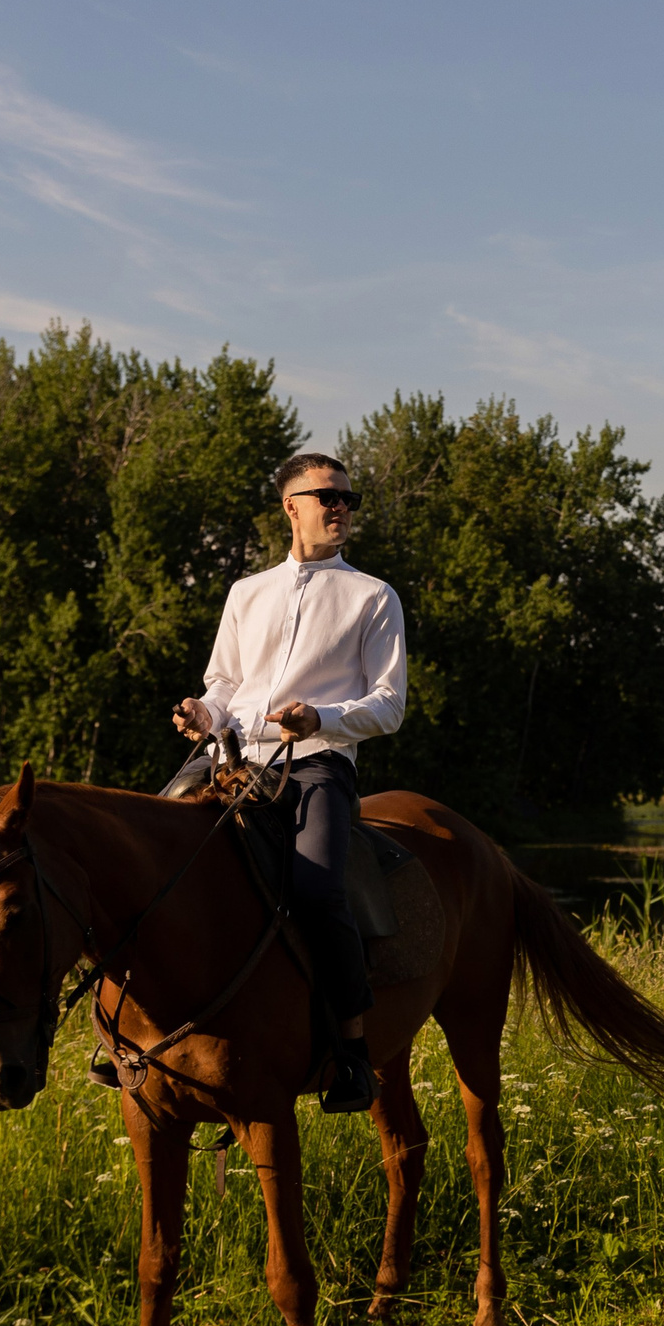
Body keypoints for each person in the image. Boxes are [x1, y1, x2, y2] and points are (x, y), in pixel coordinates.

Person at [169, 451, 406, 1114]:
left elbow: (390, 704)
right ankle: (135, 1038)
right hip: (226, 761)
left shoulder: (372, 596)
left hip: (316, 765)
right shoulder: (247, 593)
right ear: (289, 505)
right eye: (326, 495)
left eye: (348, 499)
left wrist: (321, 717)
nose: (340, 508)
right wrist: (201, 712)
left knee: (316, 886)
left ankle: (352, 1054)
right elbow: (224, 686)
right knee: (143, 859)